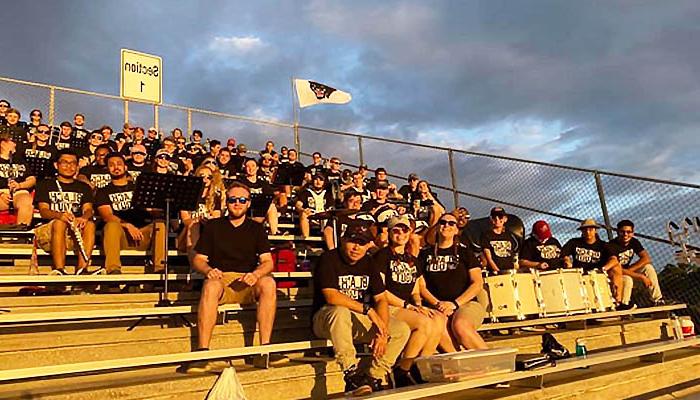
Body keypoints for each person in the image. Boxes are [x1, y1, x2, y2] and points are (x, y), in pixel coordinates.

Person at [186, 182, 278, 372]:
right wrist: (208, 270)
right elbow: (199, 259)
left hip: (248, 280)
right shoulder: (213, 227)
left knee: (268, 282)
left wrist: (257, 274)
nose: (237, 203)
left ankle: (265, 350)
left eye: (242, 200)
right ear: (226, 203)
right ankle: (203, 353)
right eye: (232, 200)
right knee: (210, 285)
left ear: (249, 203)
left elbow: (268, 261)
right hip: (222, 280)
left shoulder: (256, 229)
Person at [312, 223, 410, 396]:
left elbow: (381, 298)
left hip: (356, 318)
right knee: (339, 311)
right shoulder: (328, 258)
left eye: (362, 243)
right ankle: (351, 373)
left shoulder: (368, 262)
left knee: (400, 329)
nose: (357, 247)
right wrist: (369, 311)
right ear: (343, 240)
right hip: (325, 318)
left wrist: (382, 331)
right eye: (353, 241)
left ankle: (374, 376)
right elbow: (331, 296)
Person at [374, 215, 446, 386]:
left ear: (410, 232)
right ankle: (403, 369)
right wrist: (410, 306)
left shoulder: (411, 259)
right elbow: (381, 292)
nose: (401, 233)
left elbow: (416, 289)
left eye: (404, 229)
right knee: (424, 323)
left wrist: (419, 305)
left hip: (406, 306)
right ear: (390, 233)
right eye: (396, 230)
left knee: (438, 319)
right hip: (389, 306)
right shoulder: (382, 256)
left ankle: (420, 365)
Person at [419, 213, 488, 351]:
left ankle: (493, 362)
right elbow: (421, 286)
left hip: (466, 304)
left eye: (451, 223)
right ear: (438, 227)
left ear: (456, 229)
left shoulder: (465, 253)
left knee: (460, 326)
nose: (447, 226)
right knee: (439, 327)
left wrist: (454, 304)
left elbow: (477, 283)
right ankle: (463, 366)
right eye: (443, 222)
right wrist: (438, 305)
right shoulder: (424, 255)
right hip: (437, 307)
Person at [96, 153, 165, 275]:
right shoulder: (103, 191)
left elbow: (152, 210)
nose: (116, 167)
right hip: (120, 236)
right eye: (111, 165)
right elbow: (107, 215)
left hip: (142, 235)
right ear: (107, 169)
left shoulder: (140, 188)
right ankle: (113, 269)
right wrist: (127, 225)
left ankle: (159, 268)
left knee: (160, 225)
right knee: (111, 225)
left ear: (126, 167)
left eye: (119, 164)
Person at [34, 149, 96, 275]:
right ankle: (59, 269)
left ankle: (82, 269)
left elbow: (89, 209)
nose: (69, 166)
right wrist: (60, 215)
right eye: (65, 162)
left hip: (74, 230)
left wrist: (83, 218)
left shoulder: (83, 187)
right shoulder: (45, 184)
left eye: (73, 163)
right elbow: (44, 211)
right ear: (56, 165)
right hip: (49, 230)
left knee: (90, 225)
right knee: (59, 223)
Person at [562, 219, 627, 309]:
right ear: (582, 231)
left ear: (595, 230)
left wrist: (603, 269)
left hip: (598, 274)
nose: (588, 232)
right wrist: (567, 260)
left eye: (590, 229)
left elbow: (614, 260)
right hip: (579, 274)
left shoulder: (603, 245)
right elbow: (563, 254)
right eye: (585, 230)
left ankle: (618, 302)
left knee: (616, 267)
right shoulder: (574, 242)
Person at [608, 220, 667, 307]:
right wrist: (640, 276)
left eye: (628, 232)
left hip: (627, 271)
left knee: (648, 267)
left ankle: (657, 300)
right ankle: (623, 306)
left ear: (632, 233)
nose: (625, 234)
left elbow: (646, 258)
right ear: (618, 232)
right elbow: (617, 269)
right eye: (622, 232)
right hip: (615, 276)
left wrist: (630, 270)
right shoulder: (611, 245)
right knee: (627, 279)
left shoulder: (634, 242)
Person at [179, 165, 225, 262]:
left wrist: (207, 220)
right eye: (202, 176)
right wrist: (198, 219)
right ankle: (195, 264)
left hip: (207, 229)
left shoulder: (215, 197)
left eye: (209, 177)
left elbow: (216, 217)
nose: (205, 179)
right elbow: (185, 220)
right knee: (194, 225)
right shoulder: (187, 195)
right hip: (189, 232)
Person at [0, 133, 35, 226]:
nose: (15, 144)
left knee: (27, 202)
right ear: (3, 143)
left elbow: (32, 179)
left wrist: (19, 185)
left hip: (19, 193)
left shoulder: (19, 160)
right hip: (1, 194)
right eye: (12, 142)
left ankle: (20, 235)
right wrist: (1, 194)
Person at [239, 158, 279, 235]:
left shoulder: (263, 183)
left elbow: (269, 196)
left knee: (272, 206)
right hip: (246, 209)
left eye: (253, 166)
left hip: (261, 209)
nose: (250, 168)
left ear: (257, 168)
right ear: (245, 168)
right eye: (248, 166)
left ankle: (274, 232)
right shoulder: (241, 182)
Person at [296, 173, 334, 238]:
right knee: (303, 214)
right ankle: (306, 238)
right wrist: (303, 210)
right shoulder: (306, 192)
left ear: (324, 182)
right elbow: (298, 205)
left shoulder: (328, 194)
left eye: (321, 180)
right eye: (316, 179)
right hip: (311, 215)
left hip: (324, 216)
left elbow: (331, 207)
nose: (318, 182)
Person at [480, 207, 518, 272]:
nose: (497, 219)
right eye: (494, 217)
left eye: (500, 217)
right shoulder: (486, 236)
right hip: (495, 272)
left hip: (510, 271)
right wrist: (498, 271)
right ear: (491, 219)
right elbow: (489, 258)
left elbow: (514, 255)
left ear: (505, 219)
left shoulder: (509, 235)